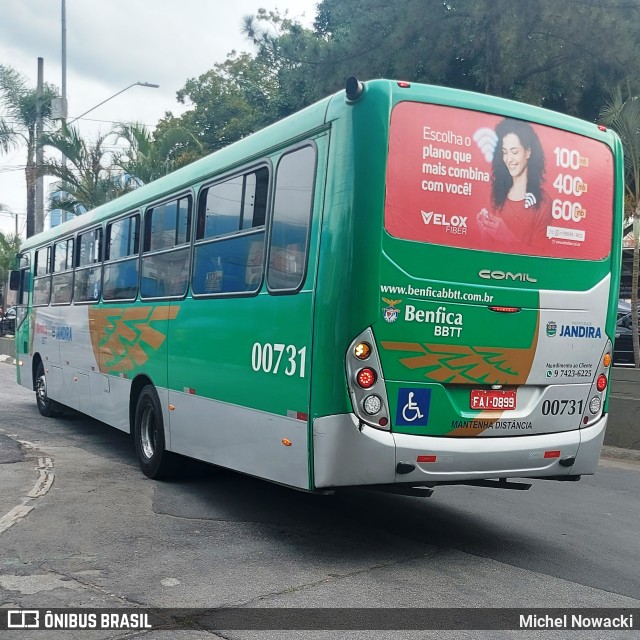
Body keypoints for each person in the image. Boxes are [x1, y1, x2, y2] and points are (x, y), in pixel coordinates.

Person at [476, 118, 550, 247]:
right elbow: (485, 250)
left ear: (528, 152)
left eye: (514, 152)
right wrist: (484, 230)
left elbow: (539, 259)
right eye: (505, 152)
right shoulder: (496, 194)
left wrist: (507, 237)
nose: (509, 159)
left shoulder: (544, 203)